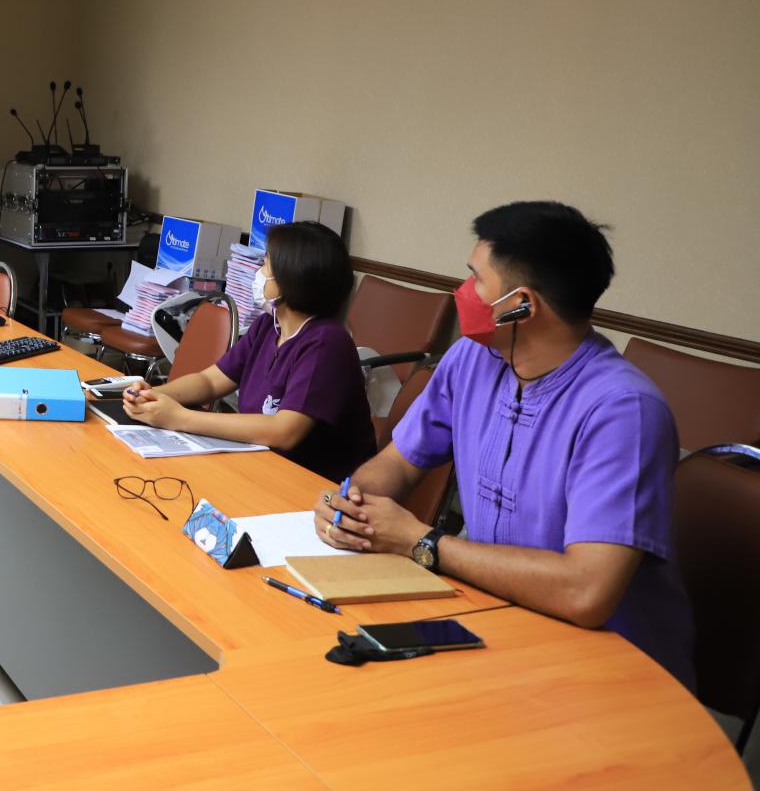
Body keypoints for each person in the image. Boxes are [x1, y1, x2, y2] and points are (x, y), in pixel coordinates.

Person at [312, 201, 694, 690]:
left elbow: (586, 592)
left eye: (476, 279)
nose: (463, 291)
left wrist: (419, 541)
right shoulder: (472, 359)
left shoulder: (623, 412)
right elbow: (399, 463)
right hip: (495, 620)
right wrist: (350, 503)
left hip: (608, 669)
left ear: (522, 305)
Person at [123, 222, 372, 482]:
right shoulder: (268, 326)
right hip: (263, 466)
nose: (258, 272)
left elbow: (284, 431)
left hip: (316, 485)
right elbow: (210, 381)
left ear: (292, 279)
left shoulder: (327, 342)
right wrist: (155, 395)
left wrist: (179, 417)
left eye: (265, 264)